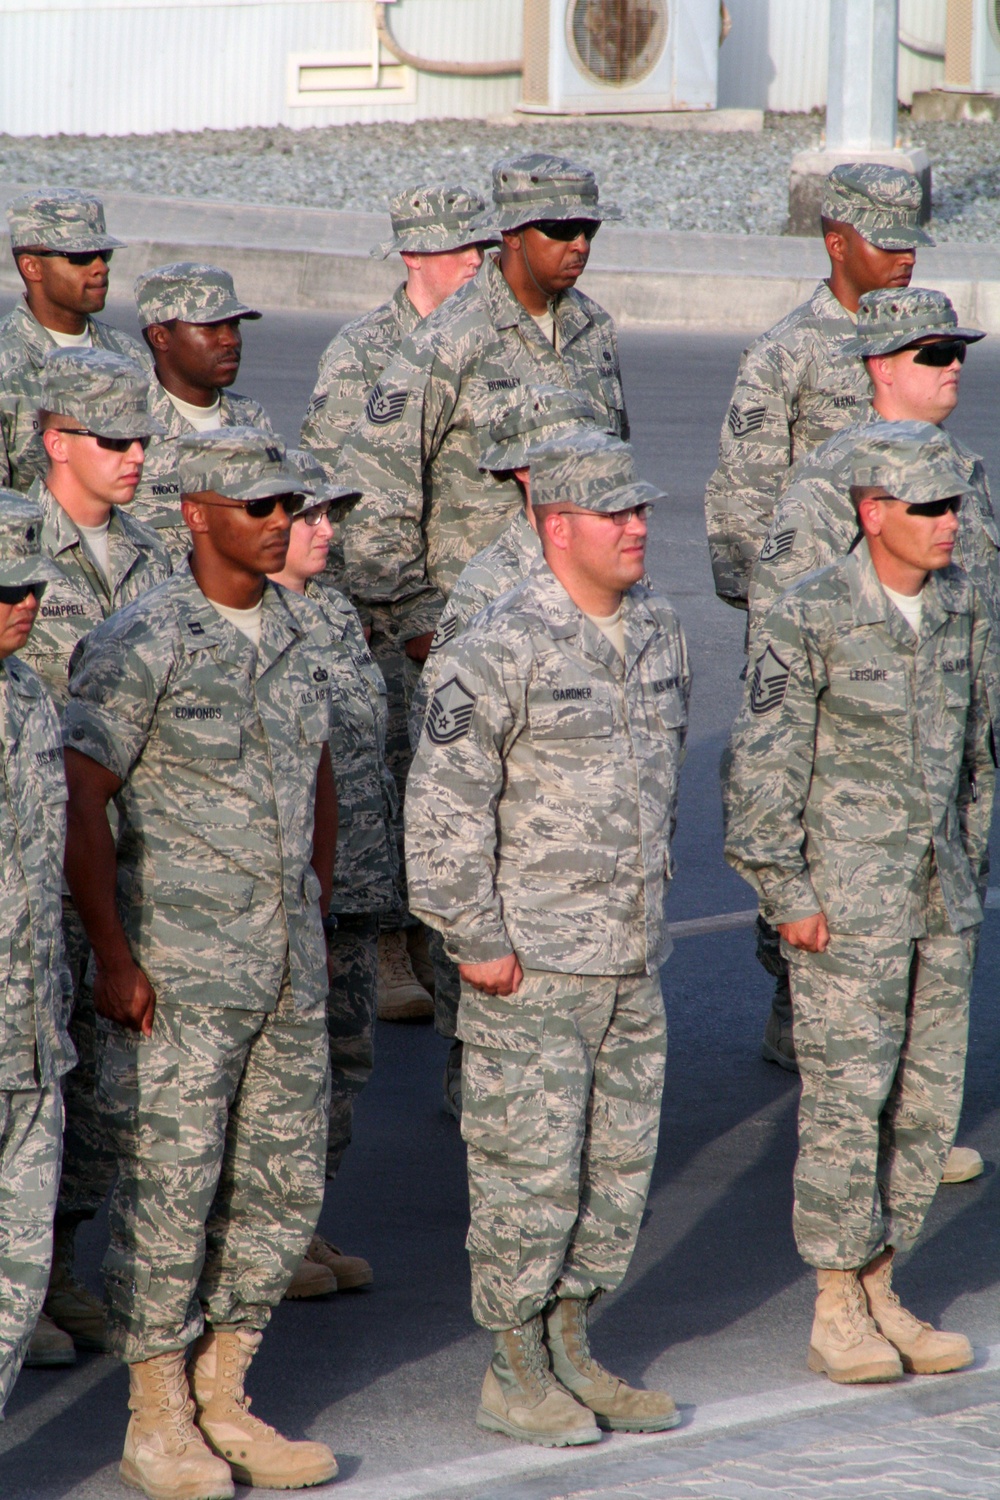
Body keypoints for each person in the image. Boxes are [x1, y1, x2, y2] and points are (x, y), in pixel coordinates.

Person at [62, 428, 338, 1499]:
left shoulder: (300, 630)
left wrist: (311, 898)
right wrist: (114, 955)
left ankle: (228, 1391)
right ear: (196, 513)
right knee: (171, 1192)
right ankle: (157, 1413)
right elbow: (86, 796)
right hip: (180, 974)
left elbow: (315, 768)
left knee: (275, 1184)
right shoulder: (146, 638)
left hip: (283, 968)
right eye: (258, 505)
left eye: (288, 506)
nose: (280, 522)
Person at [405, 440, 687, 1446]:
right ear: (553, 525)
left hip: (627, 956)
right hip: (531, 963)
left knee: (614, 1173)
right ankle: (513, 1370)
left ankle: (571, 1346)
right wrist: (475, 939)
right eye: (612, 514)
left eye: (639, 511)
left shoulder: (658, 632)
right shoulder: (498, 644)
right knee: (527, 1175)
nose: (636, 528)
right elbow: (442, 806)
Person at [724, 429, 993, 1386]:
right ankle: (837, 1301)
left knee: (924, 1107)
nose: (949, 524)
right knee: (847, 1103)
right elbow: (762, 765)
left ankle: (885, 1282)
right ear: (873, 514)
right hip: (846, 907)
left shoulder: (965, 607)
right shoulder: (811, 612)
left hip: (939, 902)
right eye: (927, 508)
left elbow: (980, 756)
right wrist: (787, 894)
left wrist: (966, 867)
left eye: (954, 506)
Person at [747, 291, 999, 1187]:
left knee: (927, 989)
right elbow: (785, 644)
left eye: (955, 350)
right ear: (879, 368)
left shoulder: (961, 473)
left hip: (939, 782)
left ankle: (910, 1132)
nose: (951, 366)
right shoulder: (827, 480)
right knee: (855, 1015)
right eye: (929, 353)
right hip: (853, 791)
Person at [301, 183, 499, 1024]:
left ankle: (434, 933)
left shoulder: (491, 340)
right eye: (464, 252)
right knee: (382, 776)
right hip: (389, 607)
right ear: (417, 256)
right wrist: (405, 613)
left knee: (452, 779)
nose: (480, 265)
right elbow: (338, 490)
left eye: (484, 250)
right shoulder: (363, 352)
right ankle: (386, 943)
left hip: (480, 603)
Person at [408, 392, 622, 1117]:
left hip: (592, 891)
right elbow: (449, 753)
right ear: (529, 477)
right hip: (518, 885)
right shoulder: (495, 584)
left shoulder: (604, 564)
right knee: (503, 1106)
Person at [20, 348, 170, 1367]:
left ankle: (53, 1267)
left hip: (120, 863)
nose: (133, 457)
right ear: (54, 440)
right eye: (112, 440)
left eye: (143, 441)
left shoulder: (152, 558)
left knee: (102, 1091)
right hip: (24, 868)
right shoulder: (13, 545)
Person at [270, 448, 394, 1300]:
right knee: (283, 1075)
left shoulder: (339, 614)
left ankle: (302, 1221)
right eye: (309, 516)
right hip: (292, 895)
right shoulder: (247, 620)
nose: (325, 532)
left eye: (328, 517)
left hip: (354, 888)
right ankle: (264, 1242)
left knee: (340, 1069)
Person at [704, 163, 932, 611]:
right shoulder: (786, 351)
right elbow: (745, 491)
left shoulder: (919, 348)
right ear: (837, 245)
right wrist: (776, 612)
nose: (906, 257)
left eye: (909, 243)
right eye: (888, 244)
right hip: (817, 597)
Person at [0, 492, 75, 1413]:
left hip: (28, 1040)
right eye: (3, 588)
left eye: (32, 588)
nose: (23, 603)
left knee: (17, 1275)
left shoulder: (29, 696)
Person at [0, 190, 150, 493]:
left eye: (104, 254)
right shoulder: (5, 363)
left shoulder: (129, 355)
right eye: (80, 257)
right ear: (32, 266)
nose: (101, 267)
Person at [131, 262, 275, 562]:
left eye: (234, 324)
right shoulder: (126, 429)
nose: (230, 340)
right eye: (210, 327)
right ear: (160, 337)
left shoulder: (251, 419)